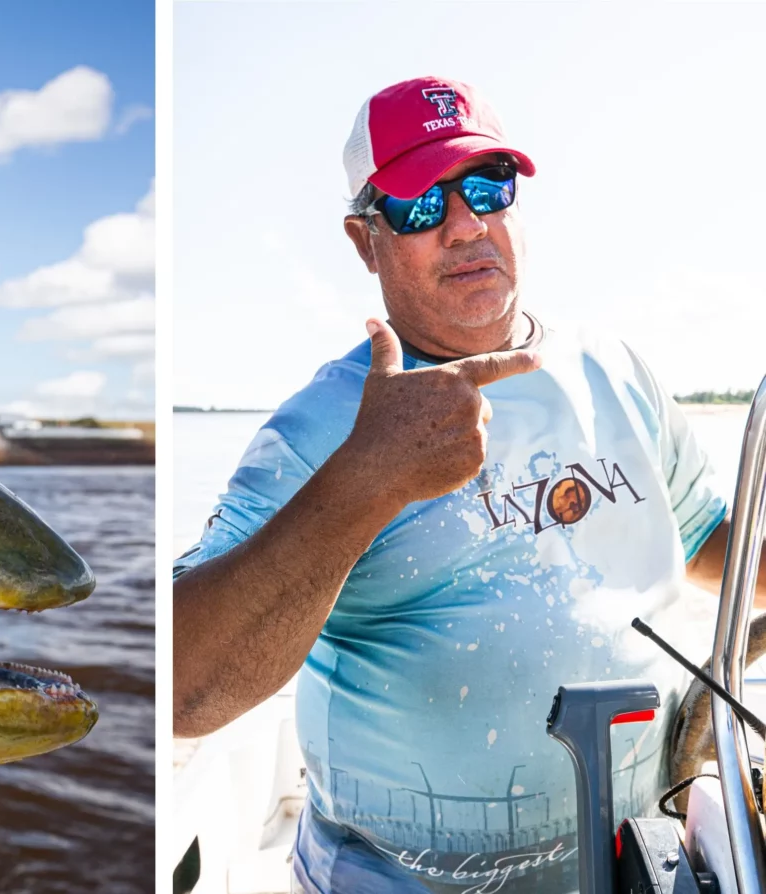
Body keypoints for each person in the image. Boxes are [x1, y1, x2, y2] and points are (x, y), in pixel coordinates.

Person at [172, 76, 748, 893]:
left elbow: (711, 548)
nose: (466, 223)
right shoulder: (321, 427)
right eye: (418, 205)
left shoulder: (616, 371)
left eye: (488, 188)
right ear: (364, 241)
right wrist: (364, 482)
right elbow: (185, 687)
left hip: (635, 863)